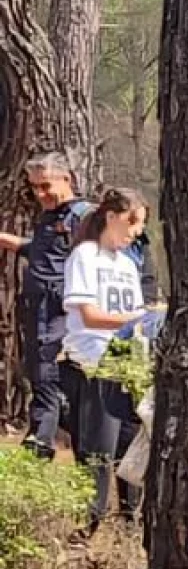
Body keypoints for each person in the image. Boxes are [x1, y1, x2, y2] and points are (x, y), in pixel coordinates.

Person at [61, 188, 150, 529]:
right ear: (111, 216)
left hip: (128, 366)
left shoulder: (128, 265)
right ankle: (87, 527)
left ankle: (132, 524)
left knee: (132, 450)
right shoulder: (85, 255)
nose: (135, 231)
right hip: (93, 363)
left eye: (140, 225)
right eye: (131, 222)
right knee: (98, 452)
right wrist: (136, 319)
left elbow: (136, 315)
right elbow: (90, 315)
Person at [0, 152, 91, 458]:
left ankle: (42, 443)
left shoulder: (82, 216)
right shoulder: (49, 218)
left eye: (46, 186)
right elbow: (38, 252)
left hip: (61, 312)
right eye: (35, 187)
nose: (40, 194)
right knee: (39, 374)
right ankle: (45, 440)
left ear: (66, 179)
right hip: (38, 309)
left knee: (49, 374)